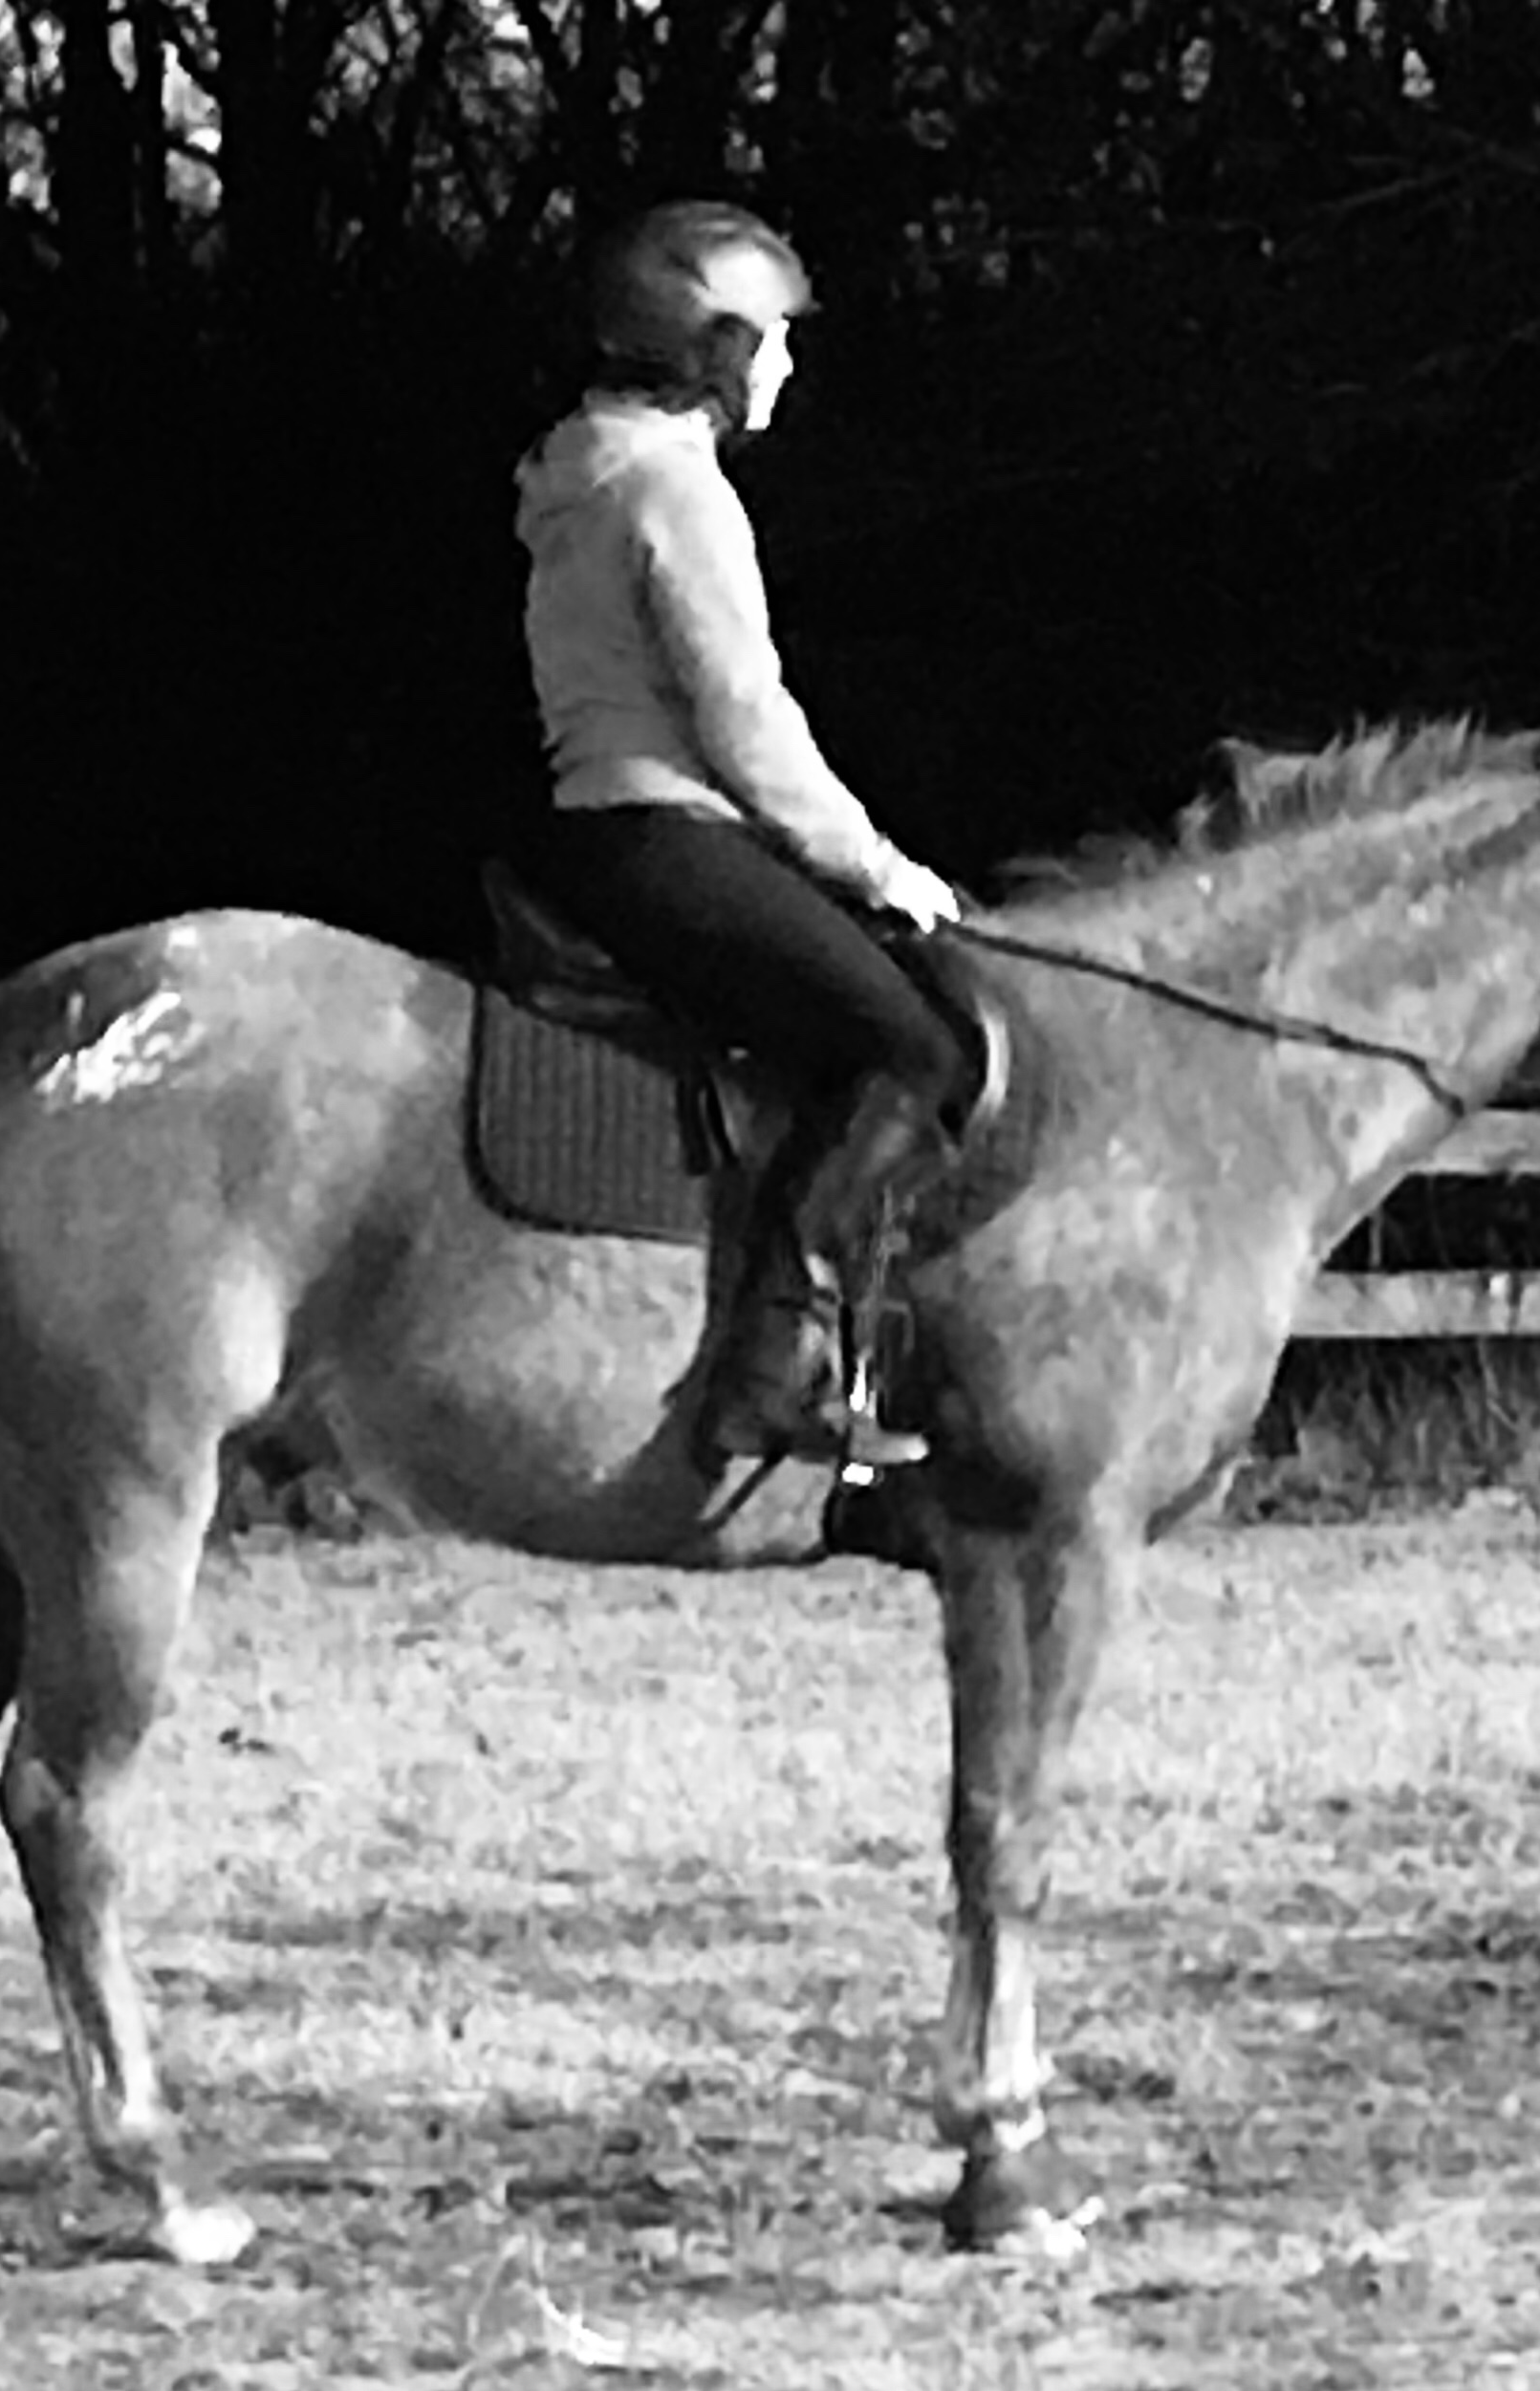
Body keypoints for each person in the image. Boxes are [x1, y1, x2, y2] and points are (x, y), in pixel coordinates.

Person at [512, 198, 968, 1471]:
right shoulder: (678, 488)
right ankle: (777, 1372)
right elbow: (744, 719)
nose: (787, 362)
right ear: (708, 347)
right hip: (667, 829)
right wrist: (878, 868)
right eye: (771, 337)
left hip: (592, 830)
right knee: (916, 1051)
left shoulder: (577, 464)